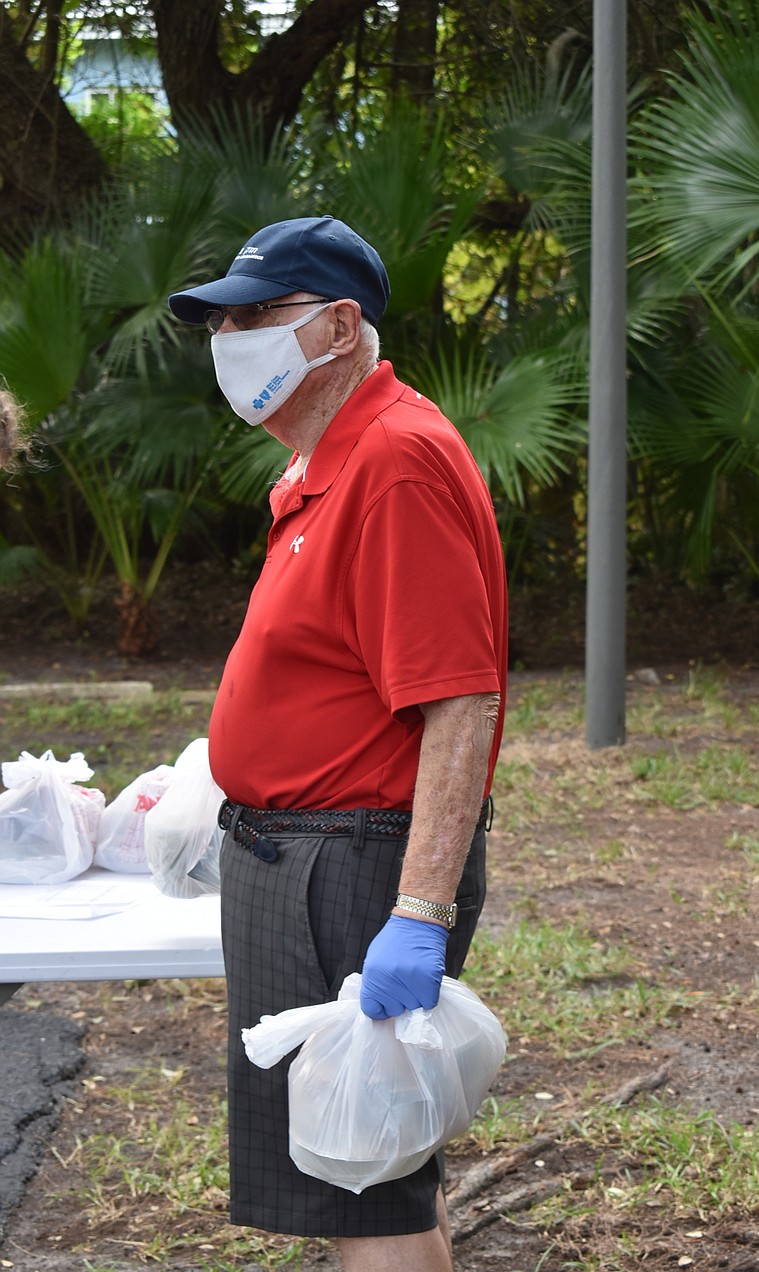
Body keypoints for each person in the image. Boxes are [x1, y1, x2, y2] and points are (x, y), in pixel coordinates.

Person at [168, 215, 508, 1272]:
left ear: (338, 326)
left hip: (349, 864)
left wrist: (416, 913)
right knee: (357, 1172)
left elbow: (459, 700)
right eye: (221, 322)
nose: (233, 340)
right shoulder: (330, 459)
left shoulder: (394, 460)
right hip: (300, 852)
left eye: (258, 316)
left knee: (369, 1189)